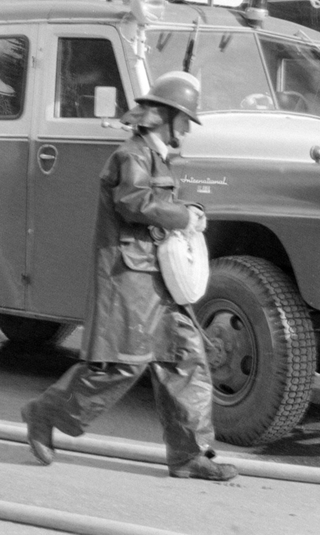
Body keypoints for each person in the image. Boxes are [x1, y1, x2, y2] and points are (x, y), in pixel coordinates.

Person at [19, 71, 238, 482]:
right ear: (166, 117)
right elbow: (135, 202)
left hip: (158, 276)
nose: (188, 128)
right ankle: (43, 413)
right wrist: (185, 215)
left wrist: (185, 212)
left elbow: (152, 204)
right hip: (129, 277)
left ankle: (190, 457)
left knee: (186, 359)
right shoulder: (131, 155)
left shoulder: (154, 156)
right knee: (118, 367)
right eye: (185, 119)